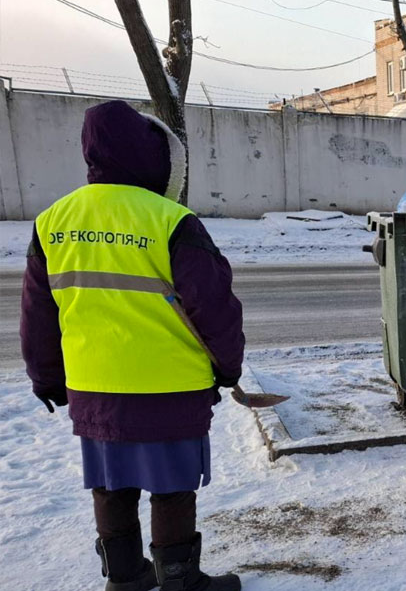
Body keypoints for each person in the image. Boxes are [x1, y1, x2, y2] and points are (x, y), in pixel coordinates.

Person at [20, 100, 245, 591]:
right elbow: (214, 305)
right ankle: (180, 580)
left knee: (110, 482)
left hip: (94, 386)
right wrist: (229, 367)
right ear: (152, 156)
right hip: (170, 385)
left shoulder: (52, 222)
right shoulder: (171, 220)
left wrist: (47, 378)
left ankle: (124, 577)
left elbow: (39, 313)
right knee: (172, 487)